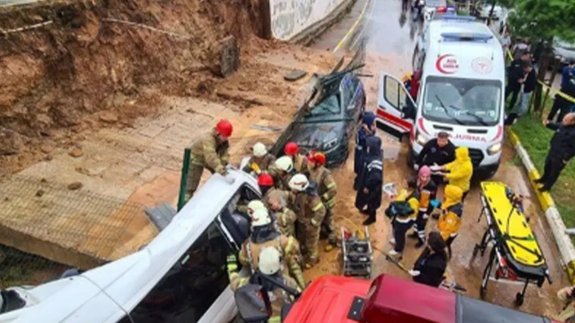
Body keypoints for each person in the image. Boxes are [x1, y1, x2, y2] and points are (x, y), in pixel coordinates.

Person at [227, 247, 301, 322]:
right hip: (288, 318)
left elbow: (234, 283)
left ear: (259, 262)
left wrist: (231, 265)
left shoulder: (249, 284)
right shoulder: (288, 283)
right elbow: (302, 298)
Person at [238, 208, 306, 289]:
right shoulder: (281, 240)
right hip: (284, 284)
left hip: (264, 287)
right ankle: (304, 287)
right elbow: (295, 247)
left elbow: (243, 261)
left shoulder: (247, 245)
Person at [186, 119, 232, 200]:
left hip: (207, 157)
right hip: (197, 158)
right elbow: (211, 158)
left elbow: (225, 153)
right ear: (218, 133)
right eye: (224, 136)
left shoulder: (223, 140)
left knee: (219, 176)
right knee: (190, 186)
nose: (225, 139)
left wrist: (225, 165)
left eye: (227, 137)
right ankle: (184, 205)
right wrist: (223, 172)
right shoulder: (208, 139)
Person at [288, 173, 326, 268]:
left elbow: (321, 211)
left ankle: (312, 260)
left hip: (311, 225)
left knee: (311, 244)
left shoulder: (311, 198)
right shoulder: (300, 194)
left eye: (294, 188)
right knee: (303, 239)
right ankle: (305, 251)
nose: (292, 190)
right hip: (303, 222)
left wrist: (313, 223)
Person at [305, 151, 338, 251]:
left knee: (330, 223)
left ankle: (333, 241)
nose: (308, 163)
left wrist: (323, 198)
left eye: (311, 161)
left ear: (318, 163)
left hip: (327, 204)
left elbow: (333, 189)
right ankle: (324, 234)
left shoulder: (325, 174)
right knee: (322, 221)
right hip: (319, 203)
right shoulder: (312, 170)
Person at [535, 113, 575, 192]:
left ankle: (547, 186)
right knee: (547, 166)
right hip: (553, 150)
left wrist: (566, 158)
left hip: (561, 156)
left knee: (554, 172)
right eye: (564, 118)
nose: (563, 121)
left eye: (566, 120)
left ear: (573, 122)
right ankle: (543, 179)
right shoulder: (563, 124)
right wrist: (548, 124)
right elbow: (556, 126)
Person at [355, 136, 383, 226]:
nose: (367, 148)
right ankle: (368, 211)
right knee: (368, 200)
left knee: (372, 202)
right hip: (369, 183)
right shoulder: (374, 155)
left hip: (373, 187)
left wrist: (367, 186)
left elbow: (375, 177)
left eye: (369, 146)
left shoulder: (376, 161)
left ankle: (372, 218)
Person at [388, 180, 419, 260]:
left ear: (410, 186)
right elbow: (399, 198)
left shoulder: (413, 199)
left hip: (405, 220)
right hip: (398, 216)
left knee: (400, 234)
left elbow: (412, 211)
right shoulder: (404, 191)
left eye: (405, 183)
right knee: (394, 226)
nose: (403, 184)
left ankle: (398, 249)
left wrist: (398, 207)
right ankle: (396, 239)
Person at [409, 166, 437, 248]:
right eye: (422, 176)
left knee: (421, 225)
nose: (424, 179)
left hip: (424, 209)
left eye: (426, 177)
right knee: (415, 221)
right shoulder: (417, 181)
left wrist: (428, 213)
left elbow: (433, 201)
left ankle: (421, 239)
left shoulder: (432, 186)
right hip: (417, 206)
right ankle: (415, 233)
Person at [437, 184, 464, 258]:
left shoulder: (453, 213)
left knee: (444, 244)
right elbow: (443, 206)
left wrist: (440, 238)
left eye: (446, 193)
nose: (444, 194)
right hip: (448, 228)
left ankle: (445, 256)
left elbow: (448, 229)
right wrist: (433, 202)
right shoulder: (454, 202)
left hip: (449, 233)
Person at [354, 111, 377, 189]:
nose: (375, 126)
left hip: (364, 156)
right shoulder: (361, 132)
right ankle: (358, 186)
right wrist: (368, 130)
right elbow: (370, 140)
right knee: (361, 174)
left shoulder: (367, 130)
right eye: (373, 124)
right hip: (360, 157)